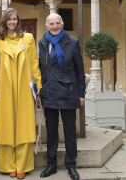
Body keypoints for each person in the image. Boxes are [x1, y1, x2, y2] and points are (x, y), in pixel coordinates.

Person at [0, 8, 42, 179]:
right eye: (9, 19)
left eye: (14, 19)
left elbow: (34, 62)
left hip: (24, 87)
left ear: (18, 20)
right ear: (4, 22)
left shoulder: (28, 38)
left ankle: (23, 165)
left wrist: (38, 84)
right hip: (6, 88)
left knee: (24, 125)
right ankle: (8, 165)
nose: (12, 22)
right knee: (6, 126)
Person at [38, 13, 85, 180]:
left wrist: (81, 93)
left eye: (58, 23)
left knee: (70, 133)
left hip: (69, 93)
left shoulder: (72, 42)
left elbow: (80, 70)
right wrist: (38, 86)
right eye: (52, 23)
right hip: (49, 93)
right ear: (47, 25)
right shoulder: (42, 42)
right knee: (51, 133)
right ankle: (51, 165)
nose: (55, 26)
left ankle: (71, 165)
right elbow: (39, 67)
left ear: (62, 24)